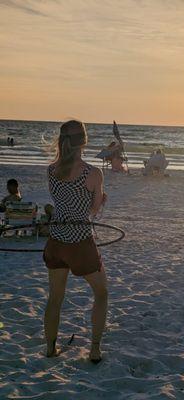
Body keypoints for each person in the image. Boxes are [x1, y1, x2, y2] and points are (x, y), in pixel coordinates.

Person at [43, 120, 107, 363]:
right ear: (84, 141)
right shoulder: (92, 173)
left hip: (56, 239)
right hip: (79, 241)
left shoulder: (51, 170)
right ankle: (94, 349)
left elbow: (61, 202)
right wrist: (101, 199)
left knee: (55, 298)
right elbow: (92, 210)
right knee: (101, 292)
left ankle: (50, 348)